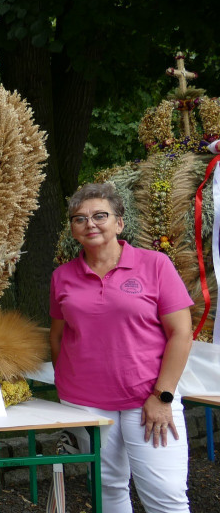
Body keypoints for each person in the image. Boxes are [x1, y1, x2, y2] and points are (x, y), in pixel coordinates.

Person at [50, 182, 193, 513]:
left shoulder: (155, 265)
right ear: (73, 229)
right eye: (79, 218)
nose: (90, 224)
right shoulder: (62, 276)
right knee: (107, 488)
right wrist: (68, 388)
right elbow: (58, 337)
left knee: (166, 495)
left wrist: (163, 396)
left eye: (100, 215)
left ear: (119, 223)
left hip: (148, 399)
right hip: (84, 404)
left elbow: (181, 334)